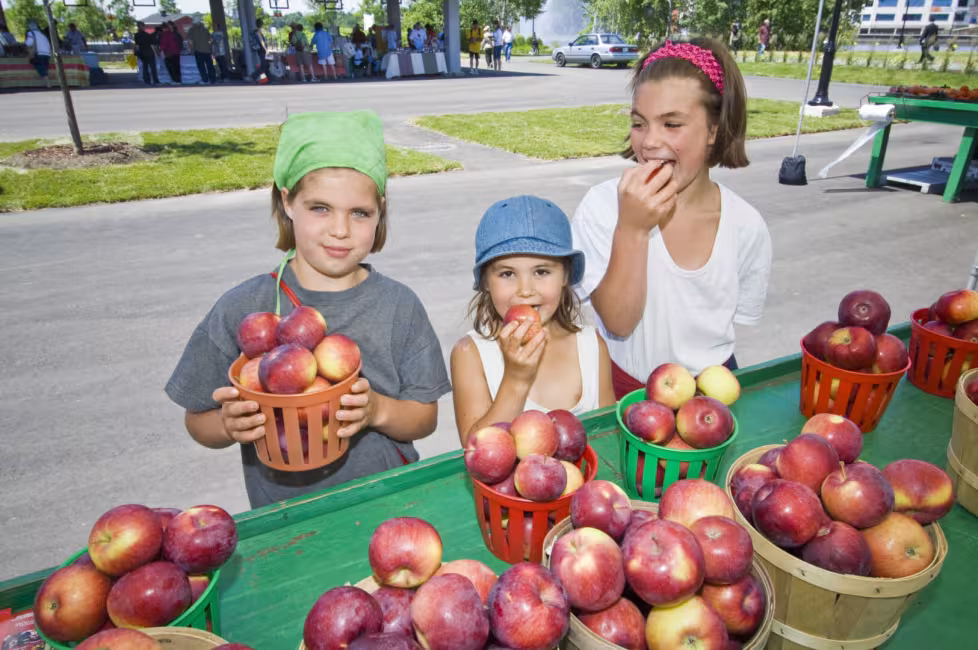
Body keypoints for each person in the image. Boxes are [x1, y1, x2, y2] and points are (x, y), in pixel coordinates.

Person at [165, 110, 452, 509]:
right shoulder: (245, 309)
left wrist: (376, 410)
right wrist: (227, 425)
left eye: (359, 213)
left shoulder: (399, 306)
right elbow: (197, 420)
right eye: (320, 208)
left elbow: (425, 417)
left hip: (390, 506)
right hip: (289, 519)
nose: (340, 229)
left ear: (380, 211)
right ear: (287, 201)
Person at [570, 39, 772, 399]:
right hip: (624, 394)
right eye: (639, 123)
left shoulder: (746, 225)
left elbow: (722, 326)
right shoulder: (604, 206)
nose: (649, 142)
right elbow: (618, 322)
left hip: (713, 394)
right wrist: (631, 228)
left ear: (713, 130)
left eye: (672, 124)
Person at [451, 195, 616, 445]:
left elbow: (607, 442)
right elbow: (478, 452)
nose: (525, 290)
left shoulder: (592, 346)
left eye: (541, 272)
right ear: (486, 282)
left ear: (565, 275)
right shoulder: (470, 354)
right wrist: (517, 378)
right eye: (507, 273)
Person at [188, 15, 216, 85]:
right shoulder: (205, 29)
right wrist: (208, 45)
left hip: (198, 50)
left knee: (201, 66)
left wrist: (191, 49)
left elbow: (190, 42)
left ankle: (205, 80)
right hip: (207, 50)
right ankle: (212, 79)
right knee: (210, 65)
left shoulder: (192, 30)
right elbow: (211, 39)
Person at [24, 20, 52, 88]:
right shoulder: (42, 34)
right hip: (47, 53)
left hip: (39, 53)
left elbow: (28, 43)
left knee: (37, 65)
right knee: (44, 67)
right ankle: (45, 81)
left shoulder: (31, 33)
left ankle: (47, 82)